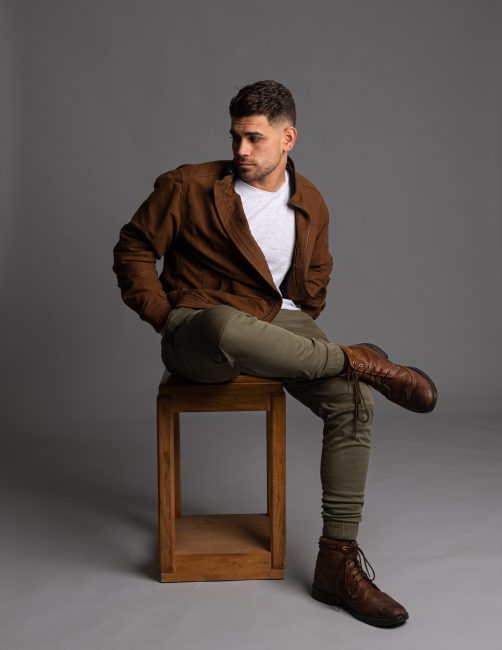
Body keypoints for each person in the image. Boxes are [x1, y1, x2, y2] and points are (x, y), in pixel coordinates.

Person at [113, 80, 437, 628]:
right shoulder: (187, 185)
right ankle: (361, 359)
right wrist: (164, 316)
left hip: (276, 323)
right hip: (199, 325)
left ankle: (336, 565)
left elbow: (314, 282)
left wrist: (296, 320)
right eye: (235, 137)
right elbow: (134, 249)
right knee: (225, 324)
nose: (241, 150)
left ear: (288, 138)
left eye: (254, 139)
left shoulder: (310, 202)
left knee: (354, 402)